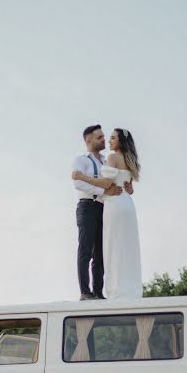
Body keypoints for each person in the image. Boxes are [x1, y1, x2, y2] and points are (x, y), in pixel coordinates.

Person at [72, 128, 142, 299]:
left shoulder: (108, 159)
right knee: (86, 249)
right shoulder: (81, 160)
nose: (104, 140)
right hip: (88, 206)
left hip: (105, 207)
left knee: (102, 251)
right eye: (100, 137)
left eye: (107, 137)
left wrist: (85, 178)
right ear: (89, 140)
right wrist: (104, 191)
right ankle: (85, 291)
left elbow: (111, 182)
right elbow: (78, 185)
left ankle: (98, 291)